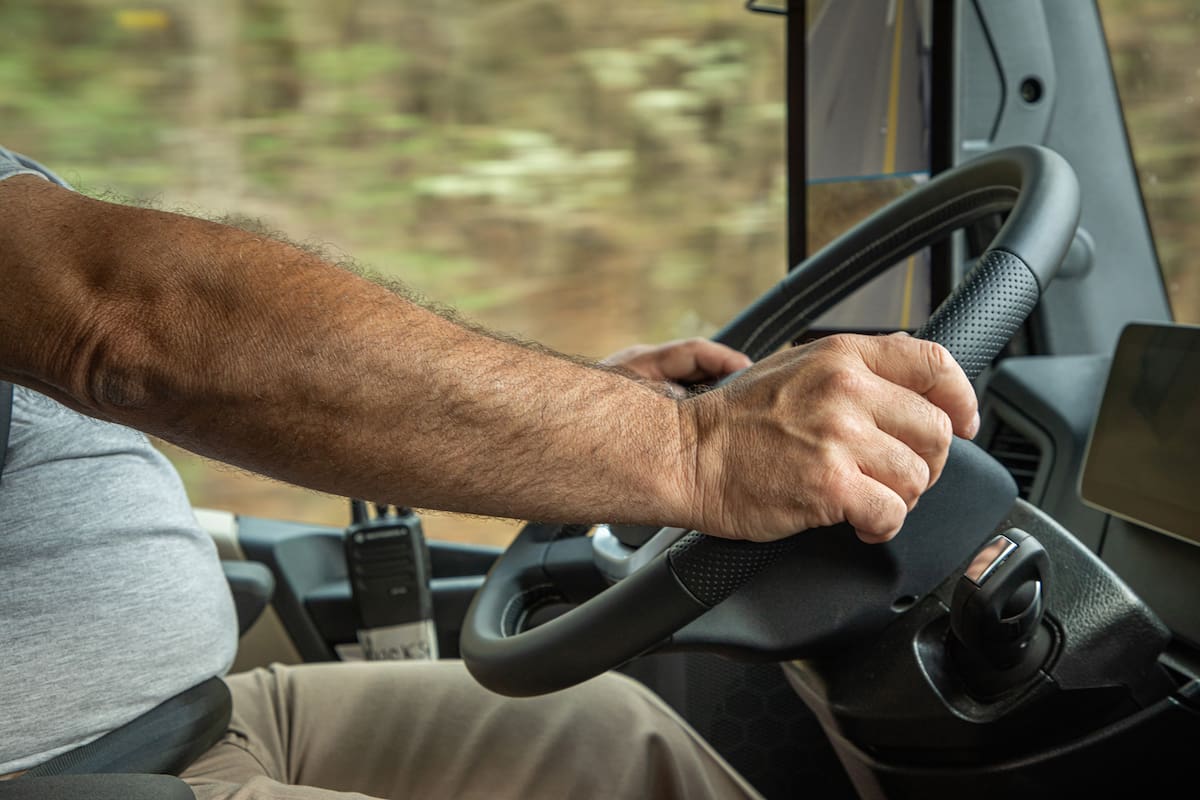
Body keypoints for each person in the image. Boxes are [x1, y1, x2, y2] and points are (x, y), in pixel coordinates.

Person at [0, 145, 978, 799]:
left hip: (201, 712)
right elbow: (131, 320)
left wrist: (574, 412)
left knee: (608, 737)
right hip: (63, 767)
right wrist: (693, 448)